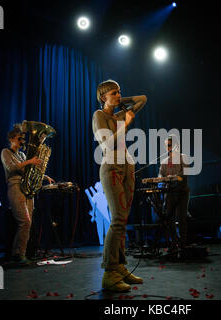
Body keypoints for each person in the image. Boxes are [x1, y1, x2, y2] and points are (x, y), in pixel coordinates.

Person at [92, 79, 147, 292]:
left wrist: (117, 100)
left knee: (123, 220)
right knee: (117, 220)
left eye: (119, 92)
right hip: (111, 168)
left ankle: (120, 266)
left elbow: (142, 99)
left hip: (127, 167)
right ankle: (109, 272)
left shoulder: (117, 115)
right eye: (114, 93)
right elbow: (106, 144)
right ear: (103, 97)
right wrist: (125, 125)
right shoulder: (99, 115)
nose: (118, 95)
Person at [1, 123, 54, 264]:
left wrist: (44, 176)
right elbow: (11, 168)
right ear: (12, 139)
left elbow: (30, 170)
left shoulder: (23, 155)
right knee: (25, 221)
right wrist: (30, 161)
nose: (22, 141)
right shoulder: (6, 152)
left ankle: (17, 253)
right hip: (15, 186)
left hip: (27, 187)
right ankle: (20, 254)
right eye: (20, 139)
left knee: (27, 224)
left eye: (23, 139)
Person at [158, 135, 190, 252]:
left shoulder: (183, 157)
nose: (168, 148)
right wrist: (161, 179)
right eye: (166, 145)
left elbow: (185, 174)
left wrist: (175, 177)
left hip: (181, 192)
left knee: (181, 218)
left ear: (176, 145)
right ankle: (174, 242)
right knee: (169, 218)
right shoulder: (164, 161)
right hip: (169, 193)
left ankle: (183, 243)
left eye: (170, 145)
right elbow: (160, 175)